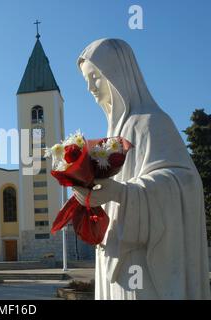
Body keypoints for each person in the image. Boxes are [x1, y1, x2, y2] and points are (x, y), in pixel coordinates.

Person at [73, 38, 210, 300]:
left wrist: (121, 193)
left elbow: (186, 184)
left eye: (96, 77)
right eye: (86, 80)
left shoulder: (151, 123)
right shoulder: (113, 135)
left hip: (143, 259)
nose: (90, 87)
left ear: (117, 75)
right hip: (115, 256)